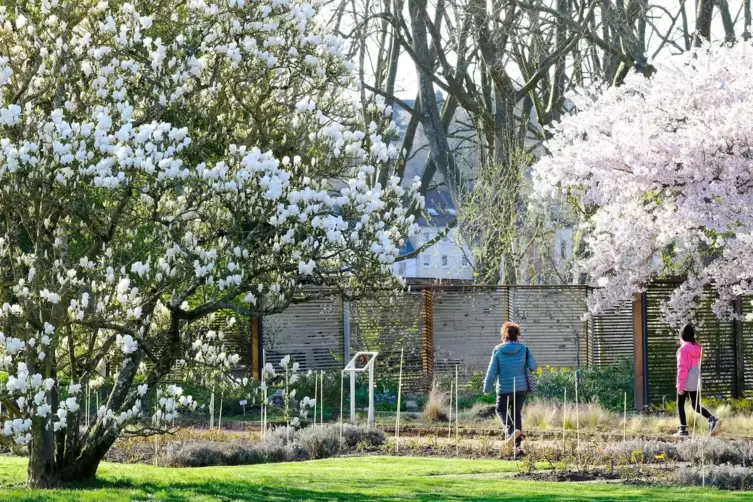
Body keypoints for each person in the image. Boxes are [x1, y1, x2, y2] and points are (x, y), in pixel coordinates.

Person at [483, 321, 537, 452]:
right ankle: (517, 446)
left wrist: (486, 388)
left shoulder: (498, 350)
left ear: (504, 335)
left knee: (501, 410)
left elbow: (492, 371)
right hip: (521, 387)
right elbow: (533, 367)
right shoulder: (524, 349)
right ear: (517, 335)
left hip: (504, 389)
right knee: (515, 413)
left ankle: (512, 431)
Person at [675, 324, 720, 437]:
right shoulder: (697, 348)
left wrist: (680, 385)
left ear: (682, 336)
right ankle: (712, 419)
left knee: (680, 404)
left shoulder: (683, 350)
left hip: (686, 380)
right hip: (695, 379)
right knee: (695, 405)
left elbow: (682, 368)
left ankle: (683, 430)